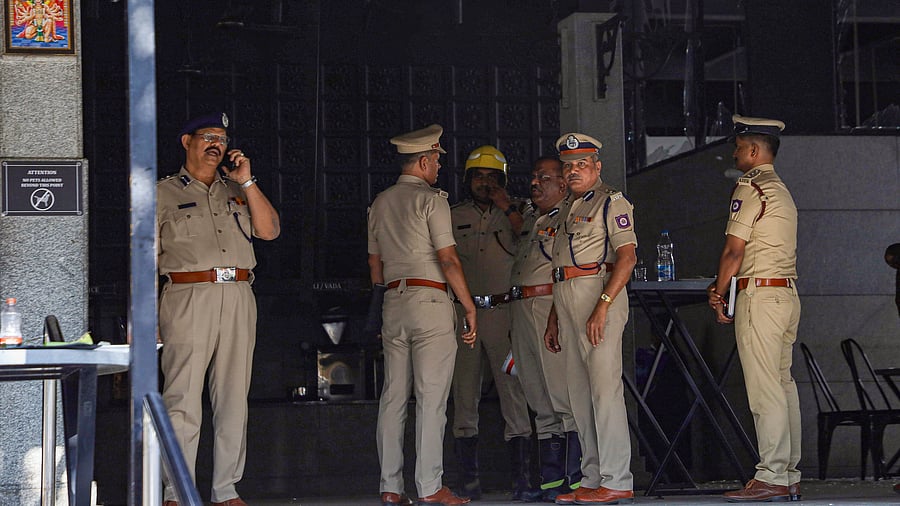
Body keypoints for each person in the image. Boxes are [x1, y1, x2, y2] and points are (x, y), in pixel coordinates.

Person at [157, 112, 281, 506]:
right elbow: (140, 258)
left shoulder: (238, 189)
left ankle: (226, 490)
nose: (216, 145)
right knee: (182, 397)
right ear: (186, 141)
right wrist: (144, 318)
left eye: (223, 140)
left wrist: (246, 179)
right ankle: (176, 490)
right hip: (188, 295)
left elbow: (269, 230)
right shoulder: (161, 193)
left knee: (233, 397)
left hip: (239, 292)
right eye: (208, 136)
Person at [368, 124, 477, 506]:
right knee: (431, 400)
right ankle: (430, 488)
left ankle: (390, 487)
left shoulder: (380, 202)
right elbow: (448, 259)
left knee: (393, 397)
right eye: (437, 161)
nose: (439, 168)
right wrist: (467, 305)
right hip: (430, 302)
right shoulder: (432, 201)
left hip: (393, 302)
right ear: (426, 160)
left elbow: (375, 267)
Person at [707, 115, 802, 503]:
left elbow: (734, 249)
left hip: (760, 296)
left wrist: (719, 290)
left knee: (765, 391)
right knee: (782, 386)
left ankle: (773, 475)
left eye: (738, 146)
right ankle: (788, 472)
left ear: (753, 150)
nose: (734, 152)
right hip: (786, 295)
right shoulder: (780, 189)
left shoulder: (750, 187)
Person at [544, 133, 636, 505]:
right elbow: (560, 266)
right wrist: (553, 316)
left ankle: (618, 479)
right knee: (579, 395)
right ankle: (593, 476)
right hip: (566, 300)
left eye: (581, 164)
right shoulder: (567, 206)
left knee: (604, 391)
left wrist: (603, 305)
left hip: (597, 296)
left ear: (597, 166)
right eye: (567, 166)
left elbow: (627, 257)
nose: (573, 171)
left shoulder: (611, 201)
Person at [449, 145, 532, 500]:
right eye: (478, 177)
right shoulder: (452, 214)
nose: (485, 183)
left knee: (513, 390)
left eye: (492, 178)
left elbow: (529, 238)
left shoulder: (519, 210)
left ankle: (522, 480)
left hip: (504, 314)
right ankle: (469, 480)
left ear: (503, 181)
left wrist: (506, 205)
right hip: (463, 316)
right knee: (464, 393)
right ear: (468, 180)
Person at [508, 156, 583, 502]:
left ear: (563, 185)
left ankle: (575, 478)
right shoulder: (532, 218)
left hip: (546, 306)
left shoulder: (568, 218)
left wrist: (555, 315)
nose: (535, 184)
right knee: (537, 396)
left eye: (544, 178)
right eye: (533, 178)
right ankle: (551, 482)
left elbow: (562, 271)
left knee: (560, 393)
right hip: (522, 308)